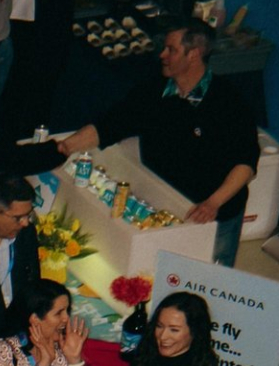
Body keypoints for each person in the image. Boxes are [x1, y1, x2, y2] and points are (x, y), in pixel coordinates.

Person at [56, 20, 260, 267]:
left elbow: (246, 162)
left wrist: (213, 203)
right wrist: (63, 148)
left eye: (171, 50)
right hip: (165, 203)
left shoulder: (228, 103)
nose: (162, 55)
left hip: (213, 213)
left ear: (193, 54)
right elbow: (110, 125)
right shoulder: (153, 91)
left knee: (208, 275)